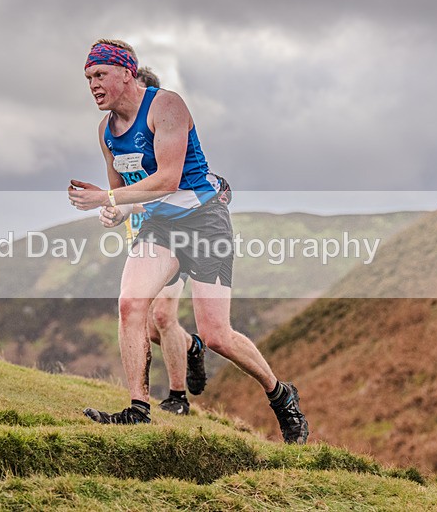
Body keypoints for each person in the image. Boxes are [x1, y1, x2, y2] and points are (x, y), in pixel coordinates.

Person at [69, 39, 308, 444]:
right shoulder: (106, 132)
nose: (92, 85)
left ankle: (280, 394)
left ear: (126, 72)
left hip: (204, 222)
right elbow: (126, 191)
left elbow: (168, 179)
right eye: (88, 78)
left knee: (216, 335)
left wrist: (108, 199)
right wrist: (112, 211)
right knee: (131, 304)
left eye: (100, 75)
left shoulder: (166, 106)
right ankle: (138, 409)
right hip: (160, 224)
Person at [111, 65, 207, 416]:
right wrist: (114, 207)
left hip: (176, 235)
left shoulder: (165, 134)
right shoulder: (119, 138)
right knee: (148, 325)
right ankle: (192, 346)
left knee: (164, 316)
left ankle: (178, 398)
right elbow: (121, 188)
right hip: (141, 236)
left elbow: (178, 182)